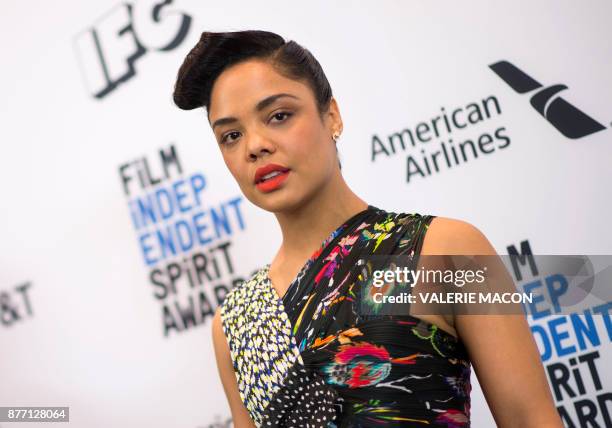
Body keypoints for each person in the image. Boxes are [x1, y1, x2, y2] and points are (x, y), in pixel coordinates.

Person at [172, 30, 562, 428]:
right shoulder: (234, 323)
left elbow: (530, 418)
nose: (254, 145)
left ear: (332, 115)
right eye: (231, 136)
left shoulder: (444, 249)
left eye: (279, 116)